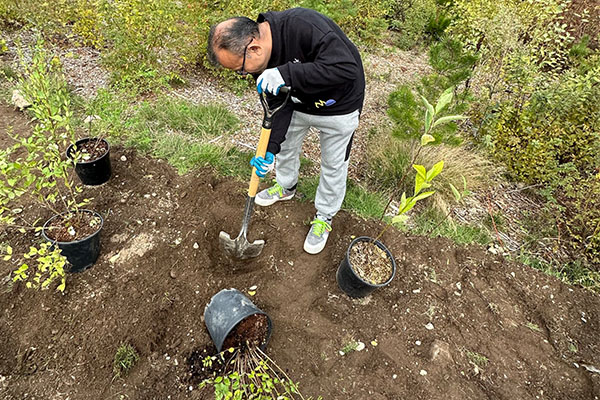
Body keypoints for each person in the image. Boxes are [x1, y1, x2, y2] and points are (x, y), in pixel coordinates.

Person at [207, 7, 365, 254]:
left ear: (254, 48)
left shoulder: (304, 26)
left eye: (241, 69)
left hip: (338, 105)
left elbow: (346, 68)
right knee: (285, 147)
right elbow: (276, 105)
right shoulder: (256, 59)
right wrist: (269, 150)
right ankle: (286, 186)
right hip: (297, 104)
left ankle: (324, 216)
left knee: (334, 164)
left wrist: (285, 73)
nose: (244, 74)